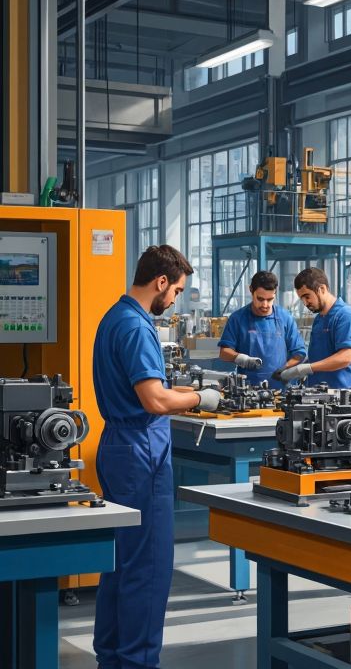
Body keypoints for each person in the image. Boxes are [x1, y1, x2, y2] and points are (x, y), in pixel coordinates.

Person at [93, 245, 221, 669]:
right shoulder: (136, 326)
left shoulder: (113, 317)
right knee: (148, 568)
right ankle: (137, 662)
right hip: (140, 452)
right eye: (178, 290)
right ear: (161, 282)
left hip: (117, 445)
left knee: (120, 563)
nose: (176, 300)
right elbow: (153, 399)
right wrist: (201, 398)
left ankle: (112, 657)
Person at [217, 270, 307, 389]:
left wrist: (284, 369)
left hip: (281, 390)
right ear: (251, 290)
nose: (265, 304)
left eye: (270, 299)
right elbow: (224, 353)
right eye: (260, 299)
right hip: (246, 390)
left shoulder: (285, 318)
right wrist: (241, 358)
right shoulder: (237, 318)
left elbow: (299, 353)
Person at [274, 268, 351, 388]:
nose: (305, 303)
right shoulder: (319, 319)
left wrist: (306, 368)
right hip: (316, 394)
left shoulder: (345, 316)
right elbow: (319, 357)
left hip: (339, 396)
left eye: (307, 296)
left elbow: (346, 357)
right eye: (302, 299)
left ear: (322, 289)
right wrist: (291, 368)